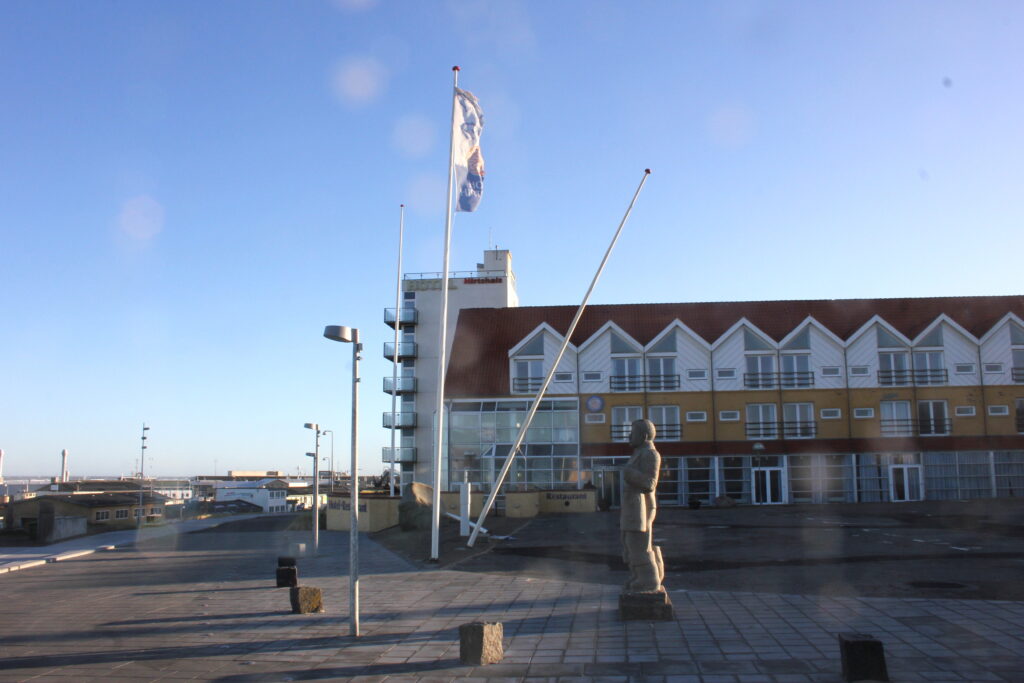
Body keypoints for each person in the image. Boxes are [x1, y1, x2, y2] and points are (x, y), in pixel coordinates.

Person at [620, 418, 665, 593]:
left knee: (639, 544)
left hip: (642, 506)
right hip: (633, 505)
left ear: (644, 436)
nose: (629, 436)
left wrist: (629, 473)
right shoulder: (639, 453)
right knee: (629, 544)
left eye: (633, 433)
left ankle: (649, 580)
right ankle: (638, 575)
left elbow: (650, 483)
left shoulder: (650, 454)